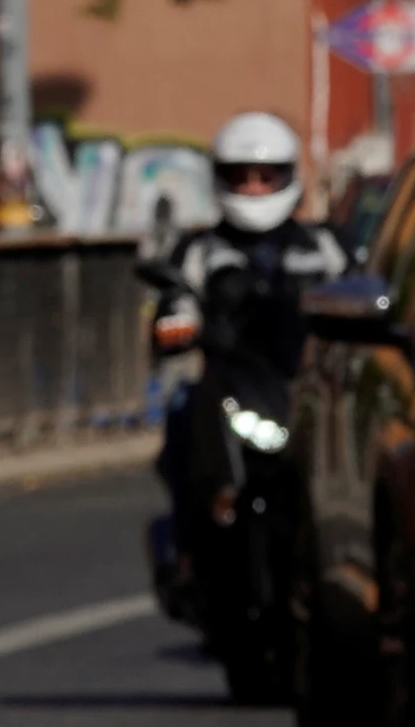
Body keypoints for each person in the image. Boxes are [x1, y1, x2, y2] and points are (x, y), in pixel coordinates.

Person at [147, 112, 353, 633]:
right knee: (182, 415)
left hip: (302, 386)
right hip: (231, 387)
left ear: (289, 178)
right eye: (241, 177)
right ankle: (194, 546)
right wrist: (180, 327)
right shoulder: (199, 252)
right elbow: (173, 311)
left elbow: (359, 294)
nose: (254, 188)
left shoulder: (323, 248)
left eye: (265, 177)